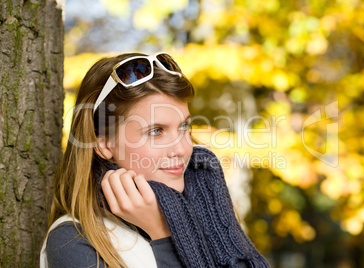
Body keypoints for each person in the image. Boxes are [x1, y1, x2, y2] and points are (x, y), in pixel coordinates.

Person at [40, 52, 270, 268]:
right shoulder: (73, 241)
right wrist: (164, 235)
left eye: (184, 126)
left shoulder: (210, 209)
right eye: (156, 131)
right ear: (103, 144)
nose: (181, 148)